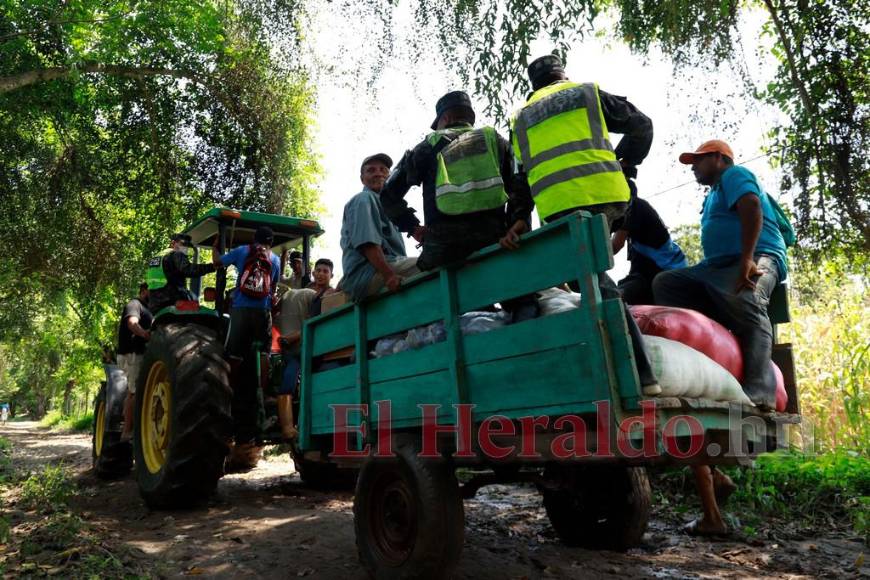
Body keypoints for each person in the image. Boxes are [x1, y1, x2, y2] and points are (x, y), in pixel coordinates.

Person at [654, 139, 789, 537]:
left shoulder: (736, 175)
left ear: (719, 158)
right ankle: (708, 347)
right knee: (667, 284)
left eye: (698, 161)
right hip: (715, 267)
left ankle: (760, 393)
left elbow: (752, 208)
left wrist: (748, 258)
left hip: (758, 256)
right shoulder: (712, 194)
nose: (693, 167)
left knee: (749, 304)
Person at [507, 54, 660, 393]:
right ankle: (635, 368)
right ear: (562, 75)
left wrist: (519, 218)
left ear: (534, 84)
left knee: (591, 277)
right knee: (589, 276)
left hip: (561, 206)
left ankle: (639, 369)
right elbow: (642, 125)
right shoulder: (587, 93)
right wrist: (626, 163)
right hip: (607, 196)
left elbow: (520, 178)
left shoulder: (521, 118)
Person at [380, 91, 534, 272]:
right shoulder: (496, 141)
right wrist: (519, 221)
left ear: (446, 118)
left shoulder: (428, 145)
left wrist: (413, 227)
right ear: (470, 117)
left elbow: (388, 195)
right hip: (495, 241)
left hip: (443, 249)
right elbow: (521, 182)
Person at [212, 226, 281, 469]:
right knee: (263, 351)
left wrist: (216, 248)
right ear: (271, 241)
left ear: (255, 239)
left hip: (241, 310)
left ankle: (227, 387)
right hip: (262, 312)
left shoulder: (243, 251)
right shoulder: (275, 259)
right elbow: (273, 289)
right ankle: (263, 387)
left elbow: (218, 263)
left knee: (232, 352)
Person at [338, 153, 420, 300]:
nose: (378, 173)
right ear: (362, 178)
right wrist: (389, 275)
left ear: (390, 175)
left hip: (384, 266)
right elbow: (367, 244)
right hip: (368, 273)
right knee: (430, 263)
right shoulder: (364, 199)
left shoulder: (389, 206)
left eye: (383, 170)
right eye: (371, 170)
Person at [612, 186, 688, 305]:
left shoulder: (633, 208)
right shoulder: (636, 215)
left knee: (614, 299)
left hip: (661, 273)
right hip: (650, 275)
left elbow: (614, 247)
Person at [116, 283, 153, 440]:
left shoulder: (150, 309)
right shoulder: (135, 304)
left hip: (139, 354)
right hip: (131, 354)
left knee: (133, 390)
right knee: (134, 391)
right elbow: (132, 323)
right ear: (144, 291)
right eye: (152, 289)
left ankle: (129, 427)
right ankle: (127, 432)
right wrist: (145, 334)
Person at [149, 233, 217, 311]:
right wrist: (211, 267)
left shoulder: (158, 257)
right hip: (172, 301)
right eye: (183, 244)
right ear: (173, 243)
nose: (185, 248)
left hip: (155, 303)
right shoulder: (176, 253)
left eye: (187, 246)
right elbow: (188, 269)